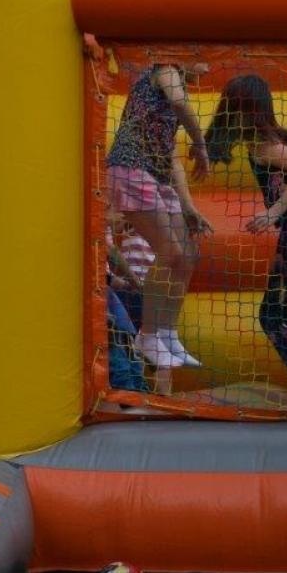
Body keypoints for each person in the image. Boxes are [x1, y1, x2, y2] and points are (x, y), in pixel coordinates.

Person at [204, 75, 287, 399]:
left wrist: (274, 212)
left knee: (273, 315)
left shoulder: (266, 146)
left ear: (242, 110)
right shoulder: (278, 140)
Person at [104, 63, 213, 374]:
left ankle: (167, 334)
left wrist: (188, 206)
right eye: (201, 59)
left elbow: (170, 156)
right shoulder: (166, 70)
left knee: (188, 254)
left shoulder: (172, 88)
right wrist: (201, 145)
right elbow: (179, 104)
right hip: (131, 169)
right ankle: (148, 336)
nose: (205, 67)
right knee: (170, 253)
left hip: (156, 175)